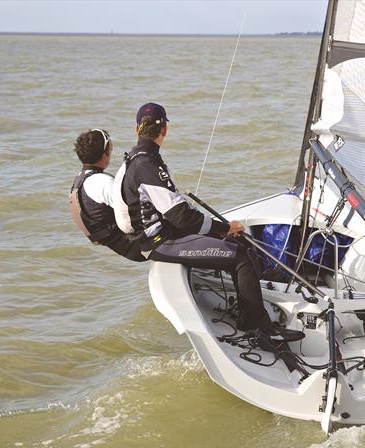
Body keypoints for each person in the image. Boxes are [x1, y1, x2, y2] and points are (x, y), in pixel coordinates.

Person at [115, 103, 304, 366]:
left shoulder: (136, 159)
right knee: (238, 255)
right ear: (165, 129)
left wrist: (223, 231)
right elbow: (182, 217)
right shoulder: (147, 165)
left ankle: (249, 304)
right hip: (160, 242)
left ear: (137, 129)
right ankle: (259, 328)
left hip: (163, 235)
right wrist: (224, 227)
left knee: (235, 243)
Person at [70, 129, 145, 262]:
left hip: (123, 246)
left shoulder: (81, 180)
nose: (111, 153)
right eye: (110, 149)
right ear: (104, 156)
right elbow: (134, 210)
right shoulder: (101, 182)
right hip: (137, 246)